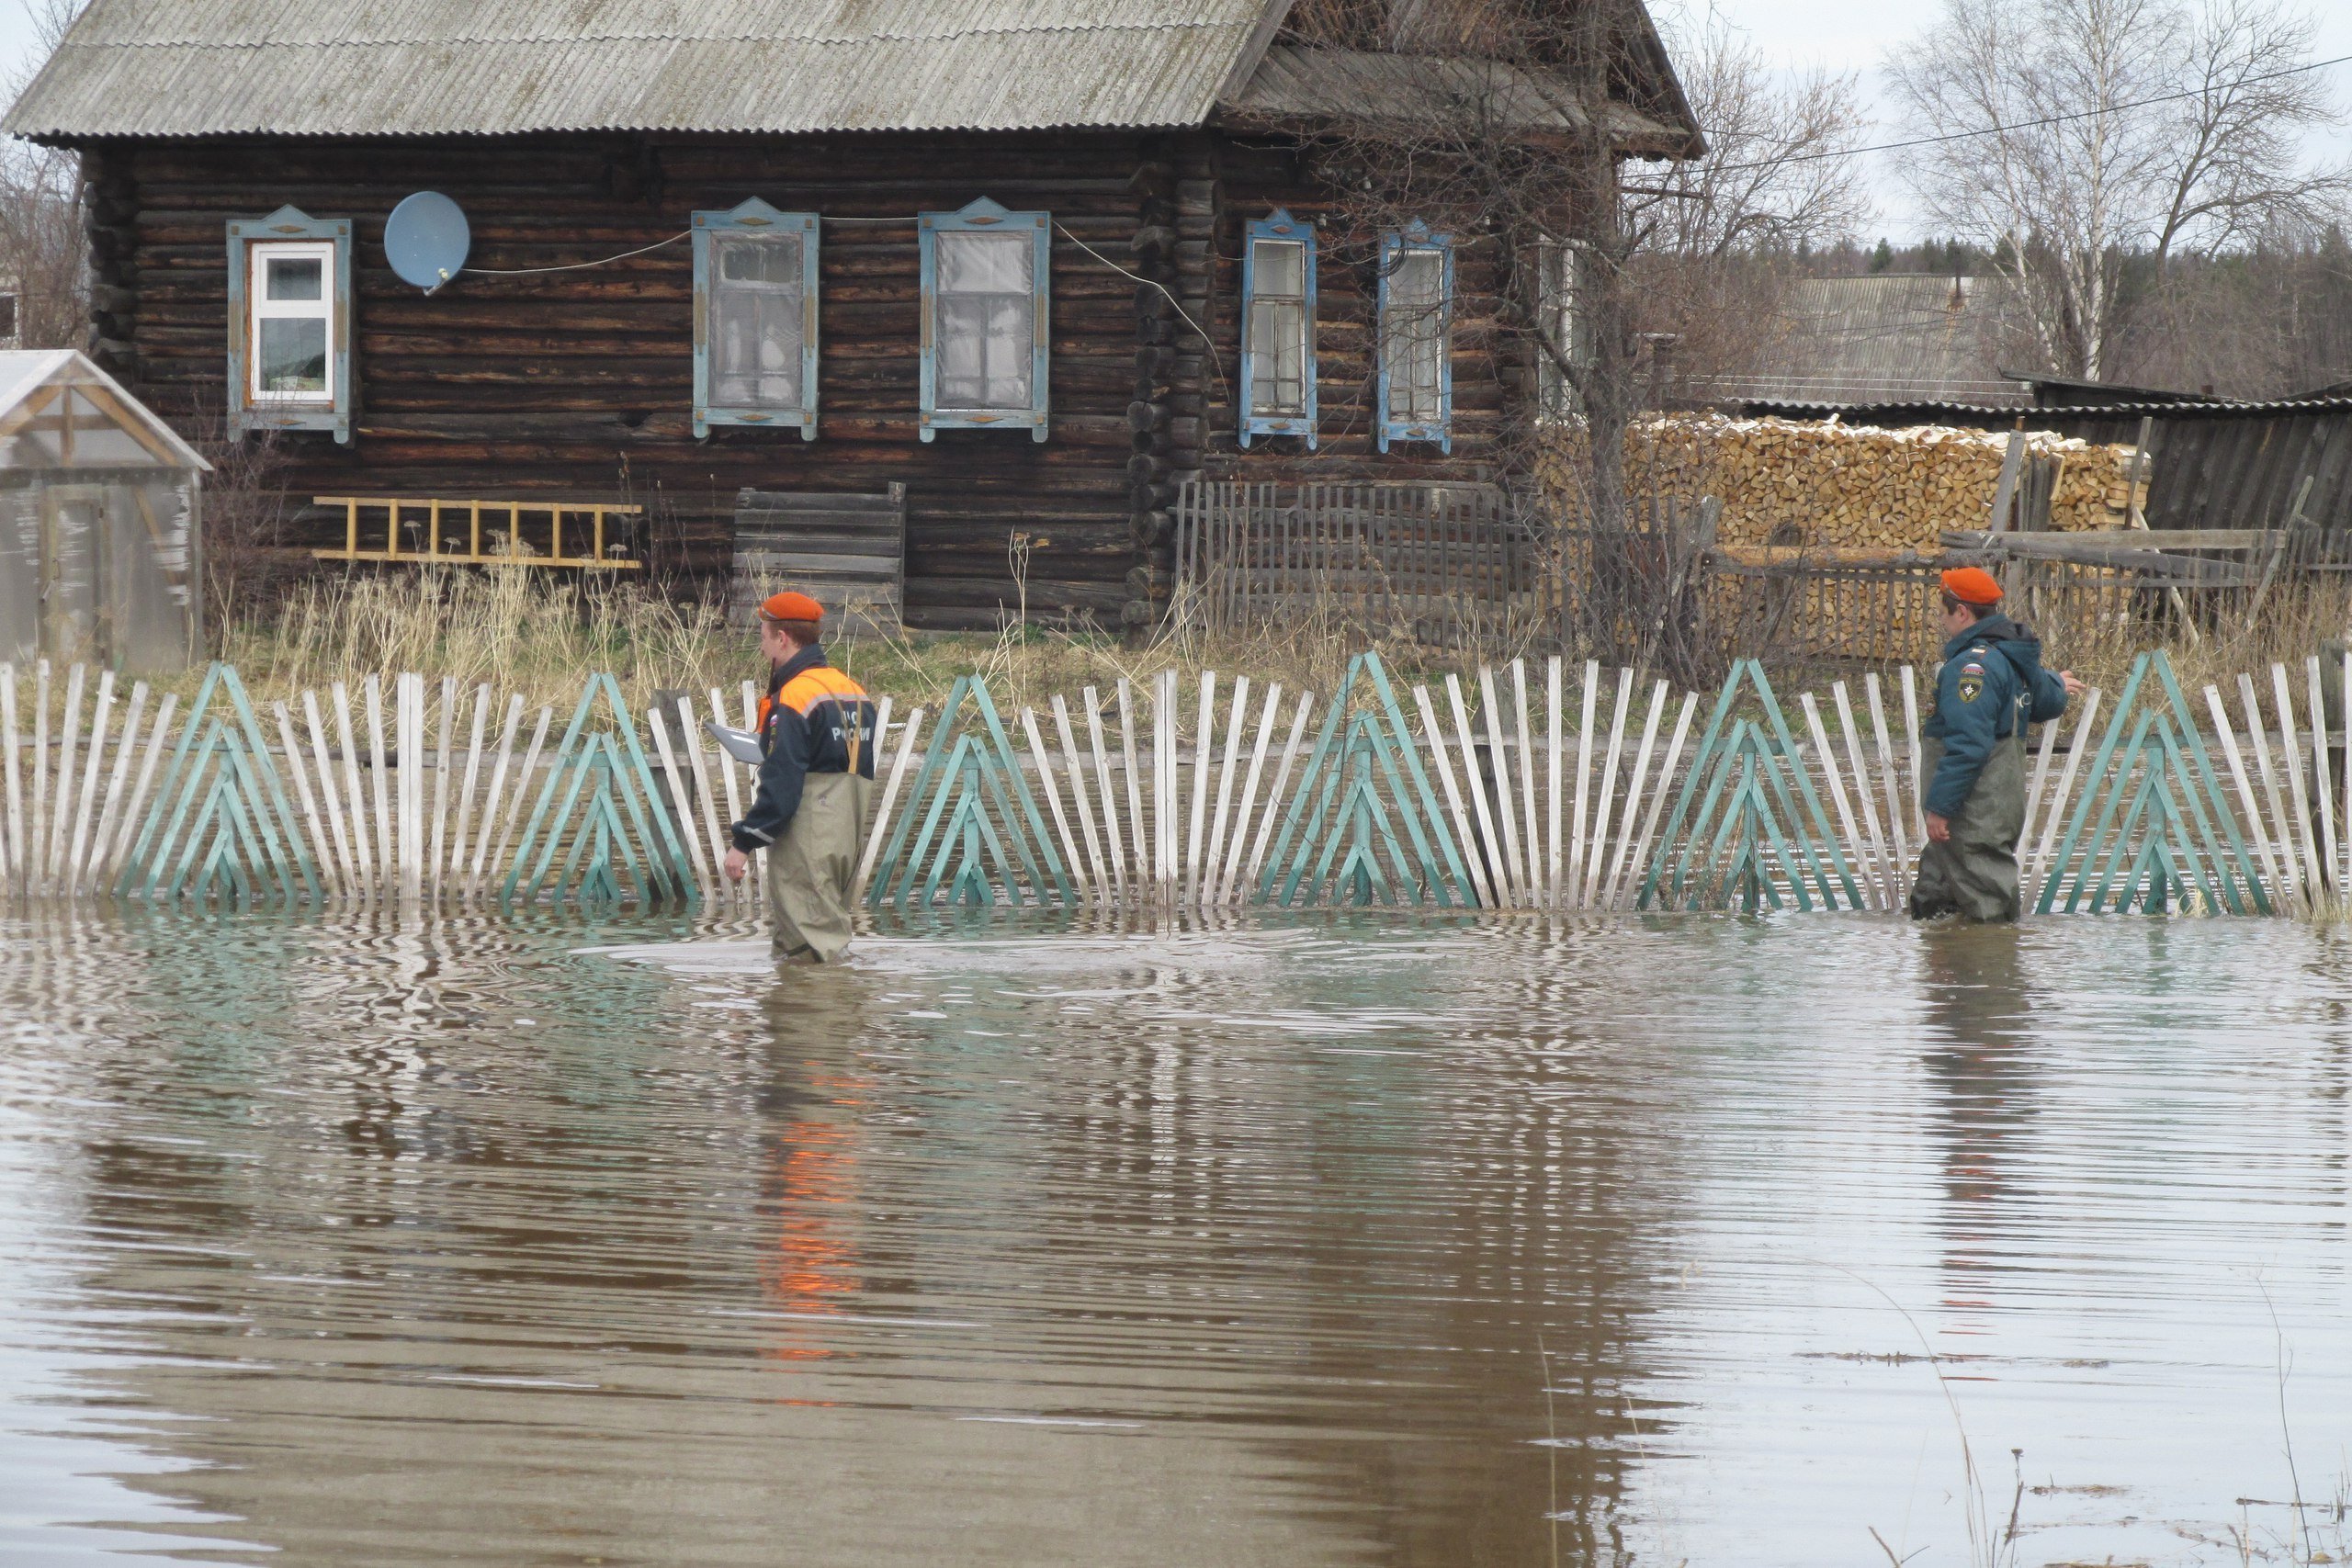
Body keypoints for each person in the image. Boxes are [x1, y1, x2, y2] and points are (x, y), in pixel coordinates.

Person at [1911, 567, 2086, 922]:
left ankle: (1992, 967)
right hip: (1995, 802)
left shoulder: (1971, 669)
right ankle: (1946, 971)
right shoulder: (2010, 654)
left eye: (1942, 613)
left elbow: (1969, 746)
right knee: (1939, 900)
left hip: (1973, 808)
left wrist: (1940, 808)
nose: (1941, 621)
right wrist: (2053, 681)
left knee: (1987, 908)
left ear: (1961, 612)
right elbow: (2046, 701)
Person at [723, 592, 878, 963]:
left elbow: (782, 785)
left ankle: (816, 1016)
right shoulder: (852, 690)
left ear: (782, 638)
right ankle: (820, 1015)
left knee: (808, 951)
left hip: (809, 835)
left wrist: (743, 841)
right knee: (820, 936)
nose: (761, 647)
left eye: (763, 636)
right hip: (846, 832)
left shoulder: (796, 695)